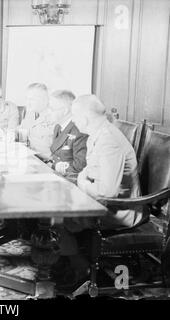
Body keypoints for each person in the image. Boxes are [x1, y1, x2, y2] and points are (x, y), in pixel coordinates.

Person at [54, 94, 144, 289]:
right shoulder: (98, 133)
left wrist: (82, 183)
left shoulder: (108, 140)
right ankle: (73, 262)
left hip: (119, 210)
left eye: (75, 116)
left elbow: (107, 192)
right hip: (99, 202)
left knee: (57, 216)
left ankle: (82, 268)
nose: (74, 121)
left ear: (84, 118)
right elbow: (88, 170)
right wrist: (83, 180)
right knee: (56, 205)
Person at [46, 90, 87, 181]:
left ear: (65, 110)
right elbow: (54, 154)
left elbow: (80, 167)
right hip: (56, 175)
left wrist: (55, 166)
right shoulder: (58, 127)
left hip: (70, 181)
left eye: (52, 109)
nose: (48, 112)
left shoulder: (79, 130)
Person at [18, 83, 56, 160]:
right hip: (29, 157)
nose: (28, 103)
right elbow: (21, 134)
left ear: (44, 100)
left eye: (32, 99)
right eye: (27, 99)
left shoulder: (54, 117)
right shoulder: (30, 113)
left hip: (46, 162)